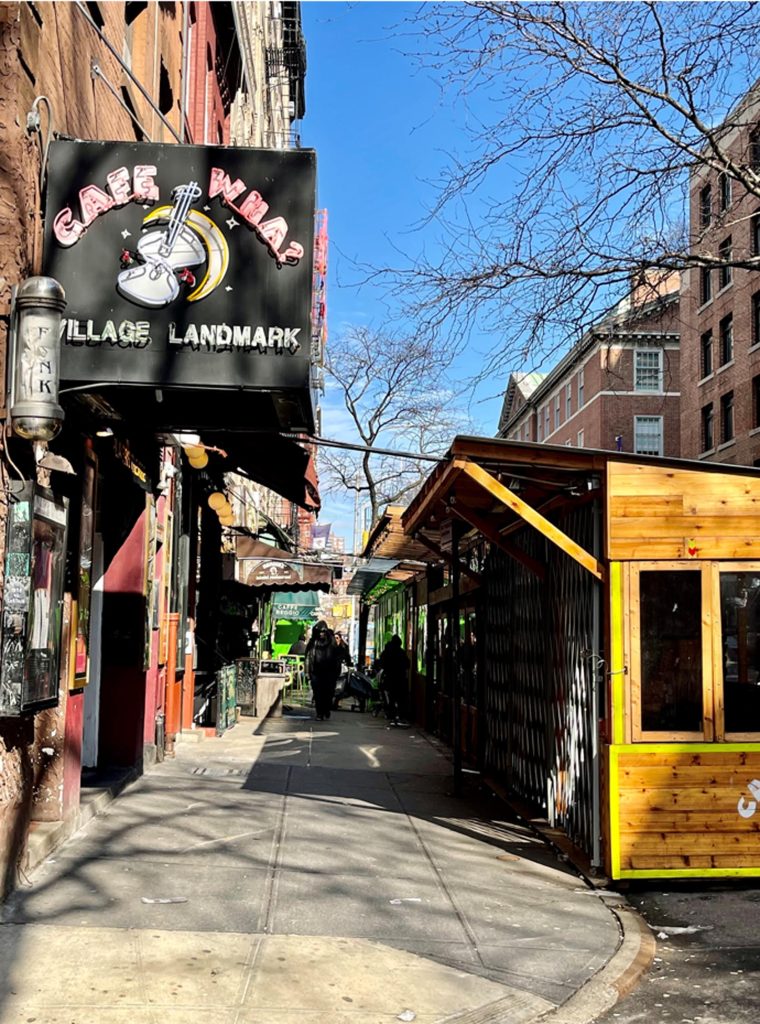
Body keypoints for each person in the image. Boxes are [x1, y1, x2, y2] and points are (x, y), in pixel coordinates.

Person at [305, 620, 342, 720]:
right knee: (318, 694)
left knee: (328, 694)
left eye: (323, 632)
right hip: (316, 672)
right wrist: (308, 673)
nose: (321, 634)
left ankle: (326, 710)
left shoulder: (332, 642)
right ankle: (319, 713)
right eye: (320, 632)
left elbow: (337, 658)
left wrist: (337, 672)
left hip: (329, 673)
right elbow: (308, 658)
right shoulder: (313, 643)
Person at [379, 634, 410, 724]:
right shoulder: (402, 652)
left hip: (390, 678)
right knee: (401, 698)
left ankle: (391, 714)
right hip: (400, 678)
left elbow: (382, 663)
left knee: (391, 697)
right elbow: (407, 664)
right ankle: (400, 715)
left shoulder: (386, 652)